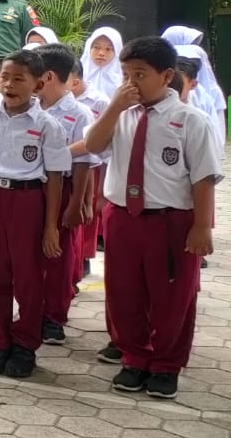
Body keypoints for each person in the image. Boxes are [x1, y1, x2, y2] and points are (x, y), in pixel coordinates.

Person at [82, 36, 218, 400]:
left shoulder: (190, 120)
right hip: (123, 217)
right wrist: (113, 107)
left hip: (171, 219)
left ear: (167, 75)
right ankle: (135, 358)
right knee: (124, 291)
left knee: (171, 296)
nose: (131, 83)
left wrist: (202, 225)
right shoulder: (121, 116)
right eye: (126, 74)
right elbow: (94, 146)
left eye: (140, 74)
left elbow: (203, 177)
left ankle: (166, 365)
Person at [0, 47, 72, 379]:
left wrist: (51, 226)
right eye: (5, 77)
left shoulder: (48, 125)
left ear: (39, 85)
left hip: (28, 202)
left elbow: (54, 177)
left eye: (19, 79)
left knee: (27, 277)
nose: (9, 85)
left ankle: (25, 344)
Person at [33, 44, 96, 348]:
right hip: (31, 190)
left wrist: (77, 203)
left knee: (58, 255)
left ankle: (54, 318)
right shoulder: (31, 108)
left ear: (46, 76)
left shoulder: (78, 113)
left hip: (64, 189)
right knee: (31, 253)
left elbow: (85, 162)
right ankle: (33, 310)